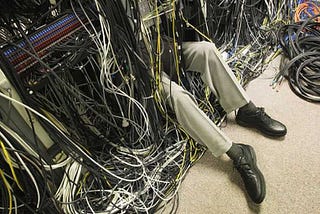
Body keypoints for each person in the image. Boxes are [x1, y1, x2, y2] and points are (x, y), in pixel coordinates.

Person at [123, 0, 287, 204]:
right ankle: (237, 152)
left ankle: (247, 111)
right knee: (177, 96)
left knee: (207, 50)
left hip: (161, 47)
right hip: (139, 68)